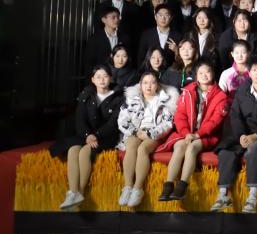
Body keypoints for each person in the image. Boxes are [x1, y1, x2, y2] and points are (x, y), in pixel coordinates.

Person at [211, 59, 257, 213]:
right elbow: (235, 115)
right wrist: (242, 135)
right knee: (226, 151)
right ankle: (223, 194)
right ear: (249, 72)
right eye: (254, 70)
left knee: (253, 151)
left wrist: (255, 136)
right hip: (243, 133)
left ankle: (252, 196)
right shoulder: (242, 91)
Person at [54, 65, 124, 211]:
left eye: (105, 76)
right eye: (98, 77)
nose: (102, 80)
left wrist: (95, 136)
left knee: (85, 152)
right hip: (86, 135)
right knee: (73, 150)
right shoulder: (86, 94)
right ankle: (72, 193)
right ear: (93, 79)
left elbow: (113, 123)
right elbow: (79, 120)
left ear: (111, 78)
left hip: (106, 137)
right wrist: (87, 135)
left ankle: (80, 191)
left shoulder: (118, 97)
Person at [157, 60, 229, 203]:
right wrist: (186, 133)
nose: (204, 75)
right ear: (196, 76)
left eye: (207, 72)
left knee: (192, 147)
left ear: (213, 73)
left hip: (207, 135)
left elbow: (215, 121)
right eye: (200, 73)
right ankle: (168, 186)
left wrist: (197, 135)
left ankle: (182, 186)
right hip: (187, 133)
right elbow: (180, 115)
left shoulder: (221, 96)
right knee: (179, 147)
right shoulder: (188, 91)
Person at [115, 70, 178, 209]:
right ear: (140, 84)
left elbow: (168, 124)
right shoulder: (132, 99)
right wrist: (135, 132)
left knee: (143, 149)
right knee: (131, 145)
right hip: (135, 132)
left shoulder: (164, 100)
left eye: (152, 82)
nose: (149, 86)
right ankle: (128, 187)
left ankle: (138, 188)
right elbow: (122, 120)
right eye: (145, 83)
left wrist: (150, 133)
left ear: (158, 85)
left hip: (154, 134)